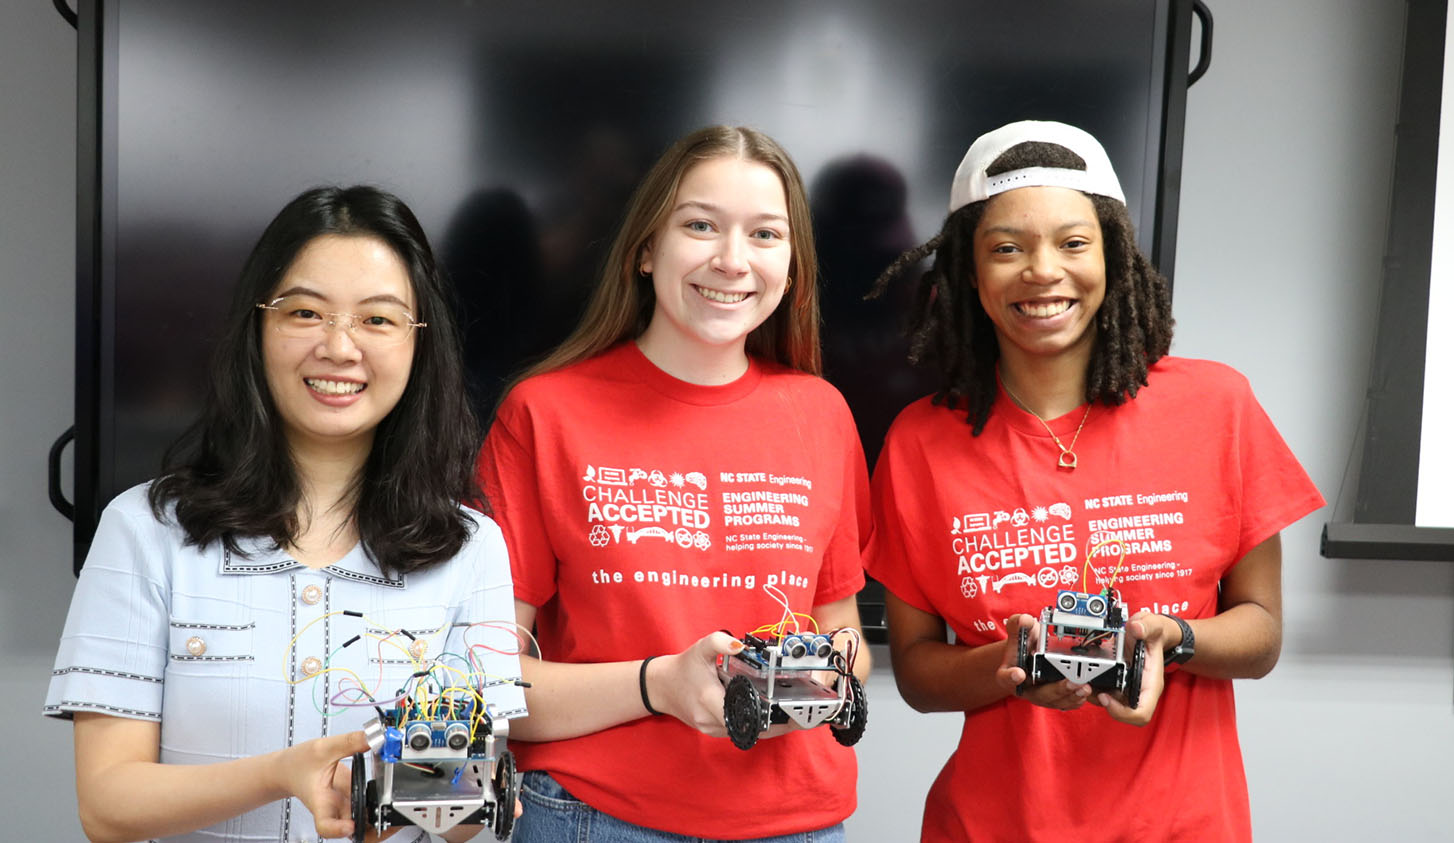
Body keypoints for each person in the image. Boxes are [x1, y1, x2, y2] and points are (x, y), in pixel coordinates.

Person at [864, 121, 1324, 842]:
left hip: (1184, 824)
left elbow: (1261, 634)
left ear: (1111, 254)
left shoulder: (1216, 406)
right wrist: (1011, 666)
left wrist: (1169, 639)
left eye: (1074, 243)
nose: (1042, 270)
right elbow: (920, 673)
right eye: (1007, 247)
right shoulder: (920, 442)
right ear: (969, 272)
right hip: (991, 825)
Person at [44, 186, 526, 843]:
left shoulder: (468, 547)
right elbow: (107, 804)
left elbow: (467, 818)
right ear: (258, 325)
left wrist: (424, 795)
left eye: (378, 319)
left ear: (419, 344)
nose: (339, 346)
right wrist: (283, 772)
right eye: (305, 312)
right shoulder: (144, 528)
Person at [475, 125, 871, 842]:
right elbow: (491, 685)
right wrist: (659, 683)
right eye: (700, 225)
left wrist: (833, 665)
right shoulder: (545, 413)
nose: (732, 260)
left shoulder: (822, 414)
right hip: (594, 816)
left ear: (792, 265)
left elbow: (844, 630)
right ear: (646, 249)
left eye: (764, 234)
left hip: (799, 823)